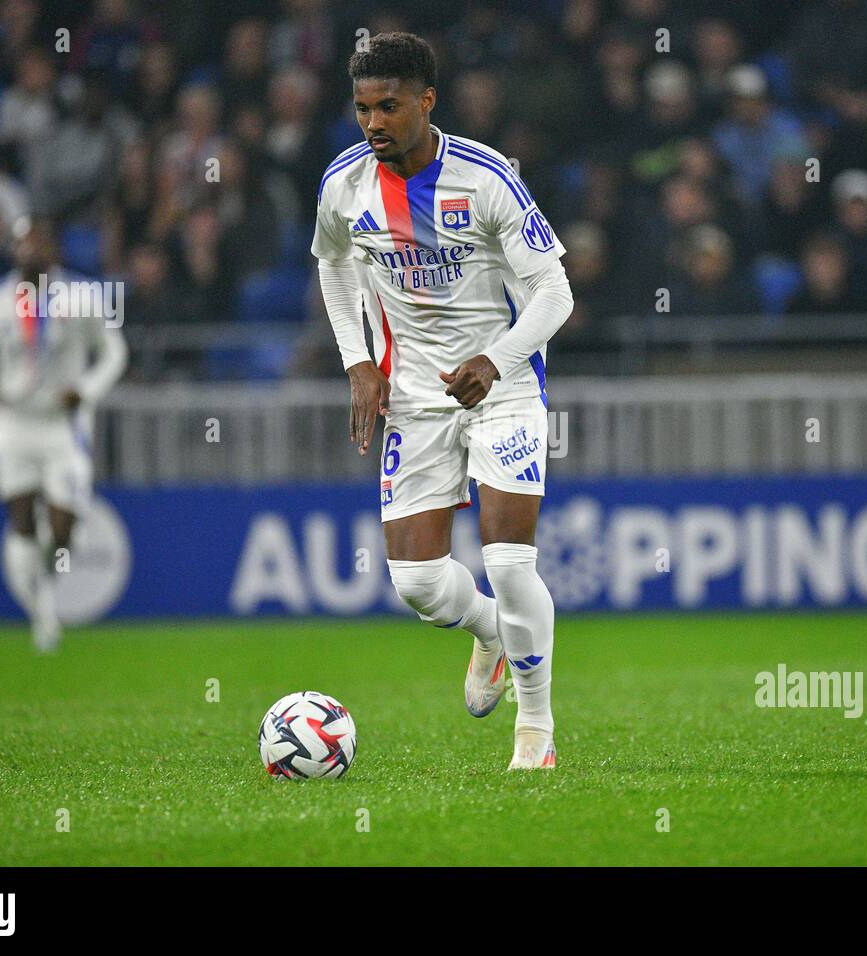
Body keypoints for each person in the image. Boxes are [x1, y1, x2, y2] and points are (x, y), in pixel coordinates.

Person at [311, 32, 574, 770]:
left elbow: (556, 293)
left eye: (388, 107)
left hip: (505, 385)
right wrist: (358, 362)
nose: (373, 124)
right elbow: (333, 266)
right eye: (362, 109)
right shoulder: (344, 185)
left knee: (509, 559)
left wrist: (497, 358)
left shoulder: (485, 178)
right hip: (416, 396)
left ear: (427, 102)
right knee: (419, 585)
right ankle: (491, 633)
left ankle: (536, 731)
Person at [0, 218, 128, 651]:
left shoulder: (83, 297)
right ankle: (43, 614)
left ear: (54, 248)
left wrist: (85, 390)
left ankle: (46, 589)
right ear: (14, 249)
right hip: (12, 421)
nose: (32, 248)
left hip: (62, 425)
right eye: (25, 241)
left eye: (40, 240)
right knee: (22, 516)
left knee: (63, 528)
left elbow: (114, 353)